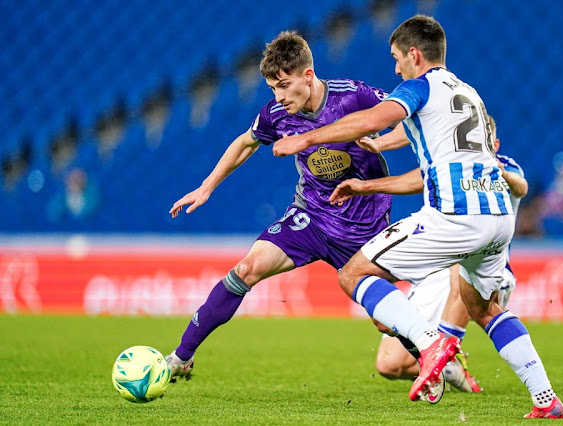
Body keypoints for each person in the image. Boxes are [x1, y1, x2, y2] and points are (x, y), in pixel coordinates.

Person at [273, 15, 563, 418]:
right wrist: (376, 153)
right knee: (483, 308)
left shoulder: (419, 87)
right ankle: (546, 398)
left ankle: (430, 344)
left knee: (354, 274)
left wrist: (306, 138)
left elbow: (379, 116)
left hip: (455, 216)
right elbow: (410, 141)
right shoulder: (468, 94)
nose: (395, 69)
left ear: (414, 54)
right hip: (498, 218)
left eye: (396, 58)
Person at [164, 31, 395, 381]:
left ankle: (438, 357)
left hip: (366, 229)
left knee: (386, 322)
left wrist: (383, 143)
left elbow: (409, 119)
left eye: (284, 86)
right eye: (273, 88)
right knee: (246, 269)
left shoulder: (355, 97)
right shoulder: (276, 114)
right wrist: (206, 187)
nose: (279, 97)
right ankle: (181, 356)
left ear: (308, 75)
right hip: (312, 218)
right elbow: (246, 142)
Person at [333, 116, 527, 388]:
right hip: (436, 271)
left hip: (481, 270)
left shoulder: (501, 168)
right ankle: (449, 368)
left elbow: (521, 186)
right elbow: (419, 179)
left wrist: (503, 173)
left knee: (461, 274)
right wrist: (366, 186)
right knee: (389, 364)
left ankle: (448, 353)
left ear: (493, 144)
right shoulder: (448, 166)